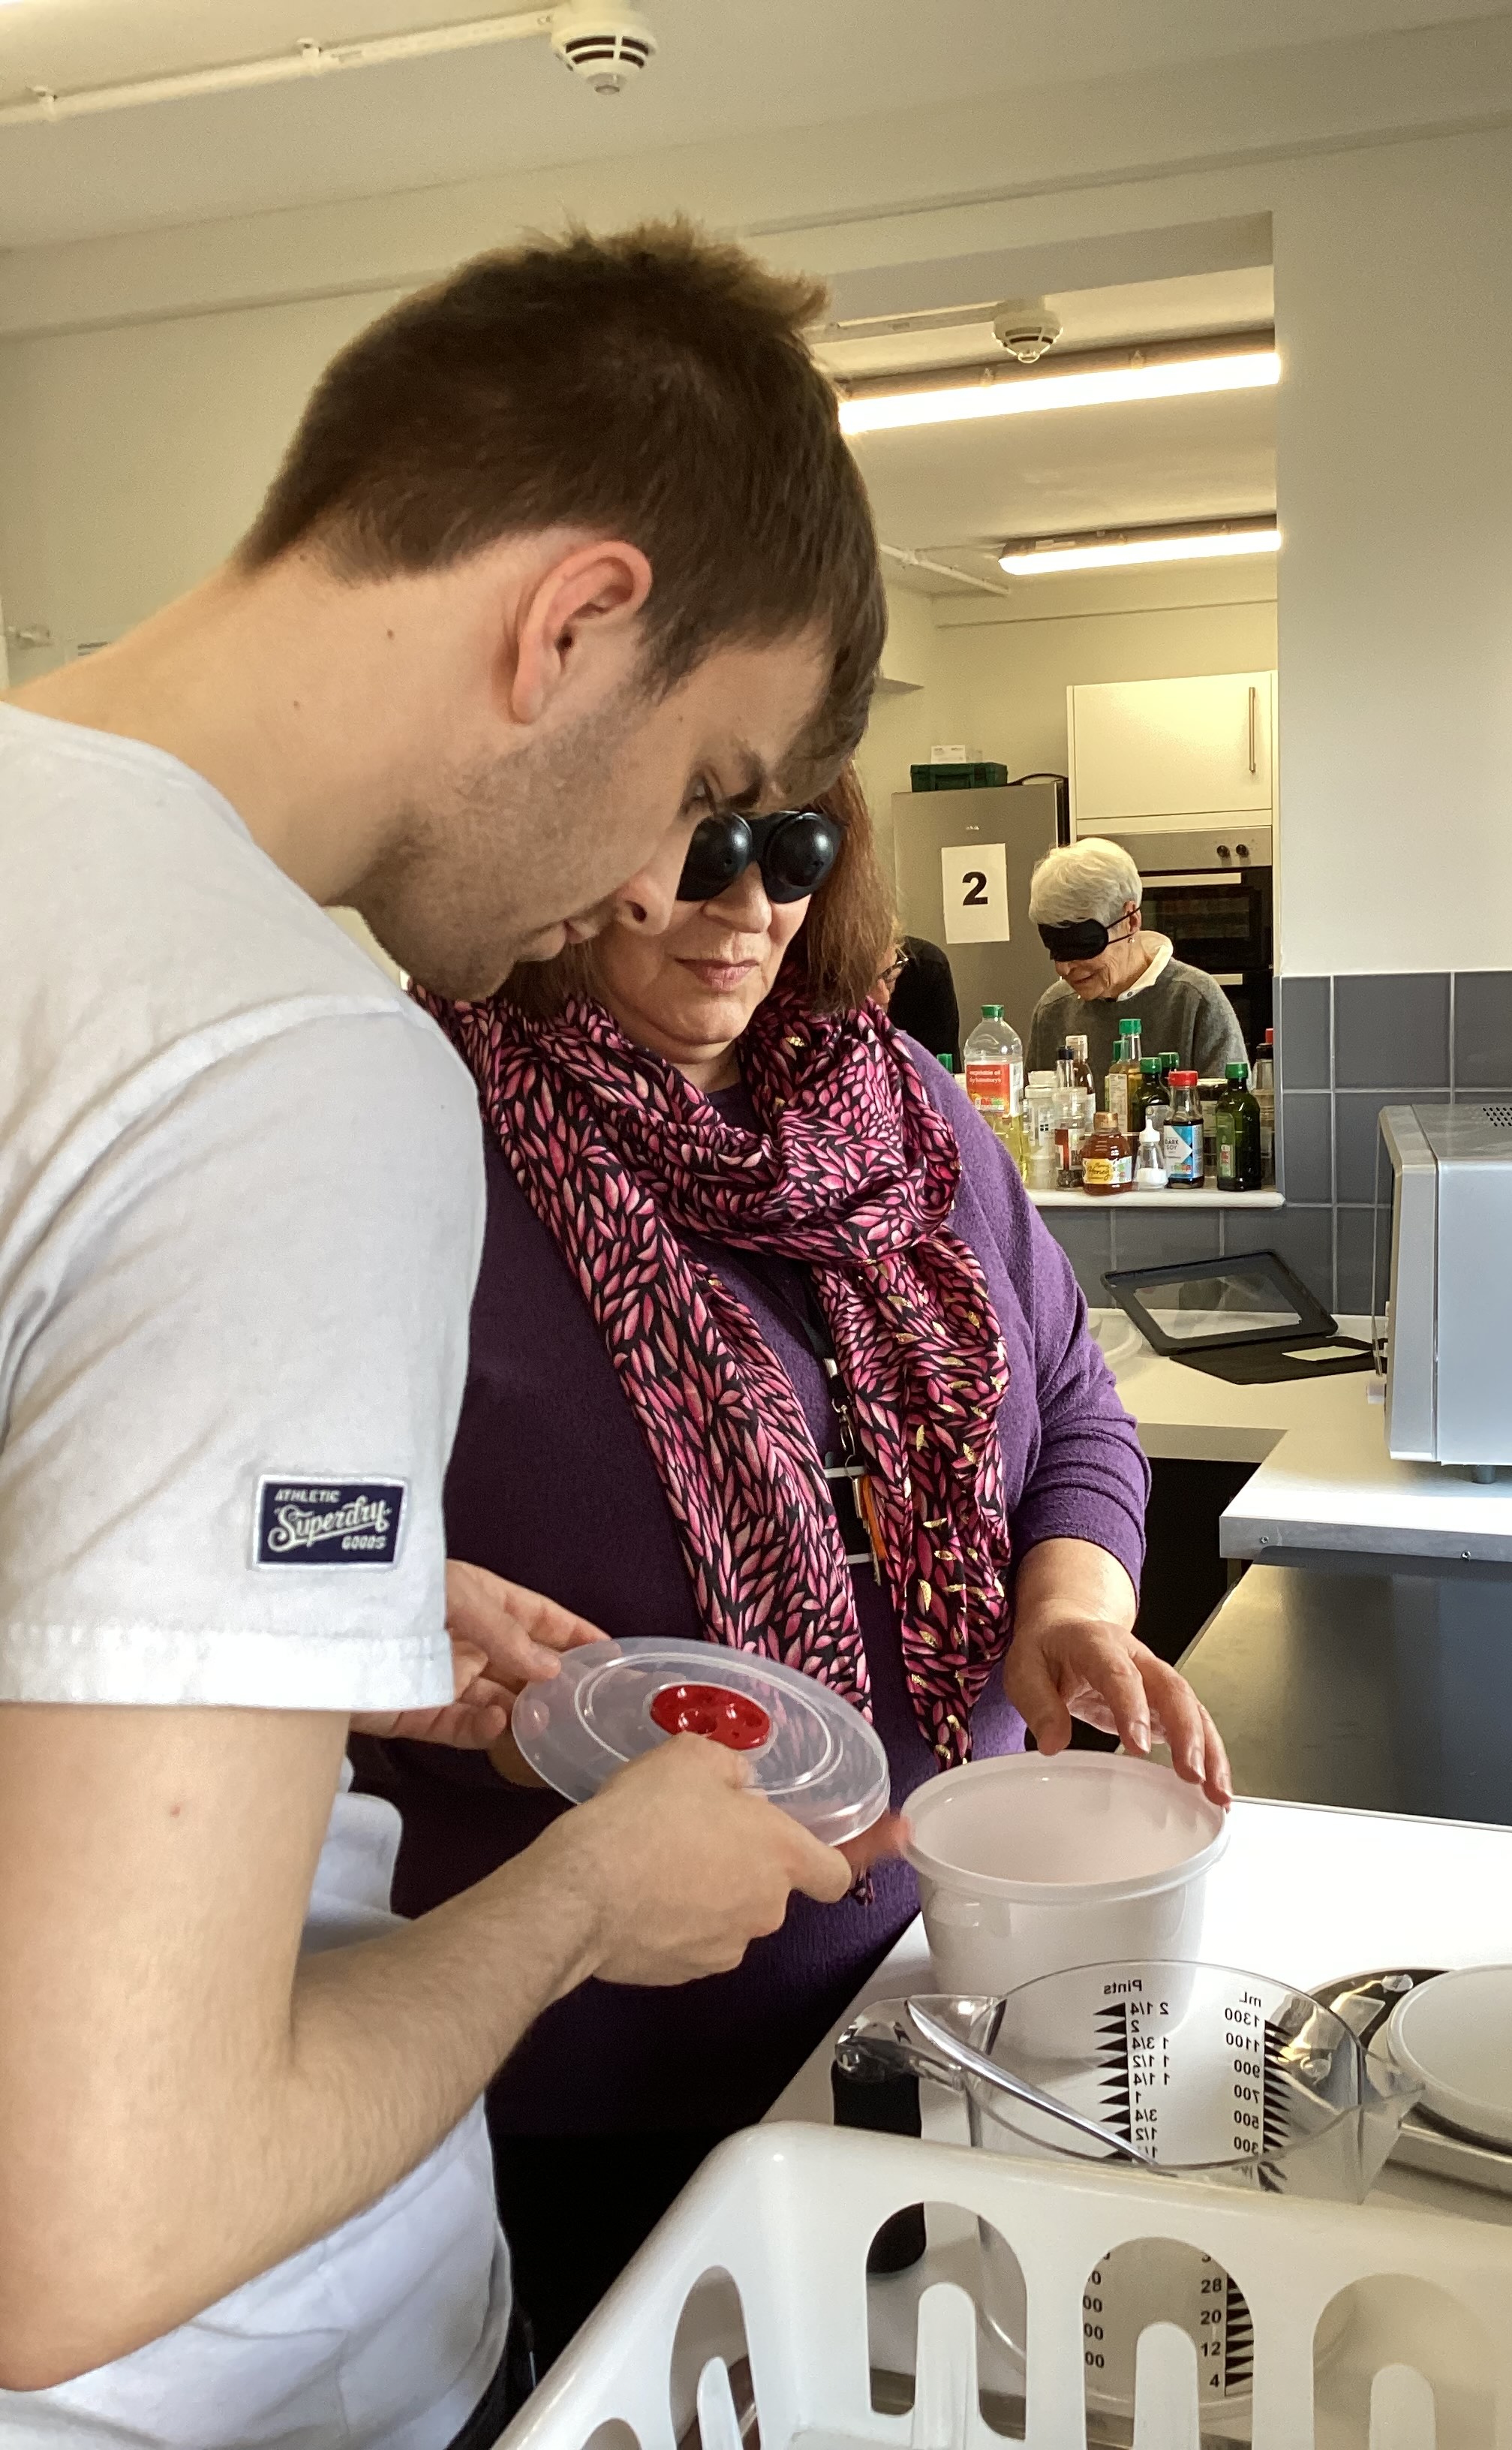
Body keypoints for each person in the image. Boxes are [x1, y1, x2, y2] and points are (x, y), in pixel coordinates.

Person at [0, 223, 886, 2447]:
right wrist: (591, 1892)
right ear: (574, 620)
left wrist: (309, 1640)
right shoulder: (286, 1061)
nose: (674, 884)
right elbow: (90, 2220)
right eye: (710, 779)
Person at [353, 765, 1231, 2365]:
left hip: (950, 1989)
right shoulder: (404, 1130)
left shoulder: (898, 1104)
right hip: (600, 2054)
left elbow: (1079, 1411)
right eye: (691, 845)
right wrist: (412, 1643)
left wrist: (1070, 1605)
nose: (746, 901)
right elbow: (260, 1570)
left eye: (793, 845)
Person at [1025, 837, 1248, 1078]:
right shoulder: (1054, 1010)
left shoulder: (1196, 1002)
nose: (1063, 968)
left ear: (1130, 921)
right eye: (1054, 947)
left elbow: (1229, 1109)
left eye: (1081, 944)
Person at [874, 927, 960, 1067]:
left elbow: (944, 1073)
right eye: (873, 979)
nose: (885, 997)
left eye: (890, 978)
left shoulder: (927, 967)